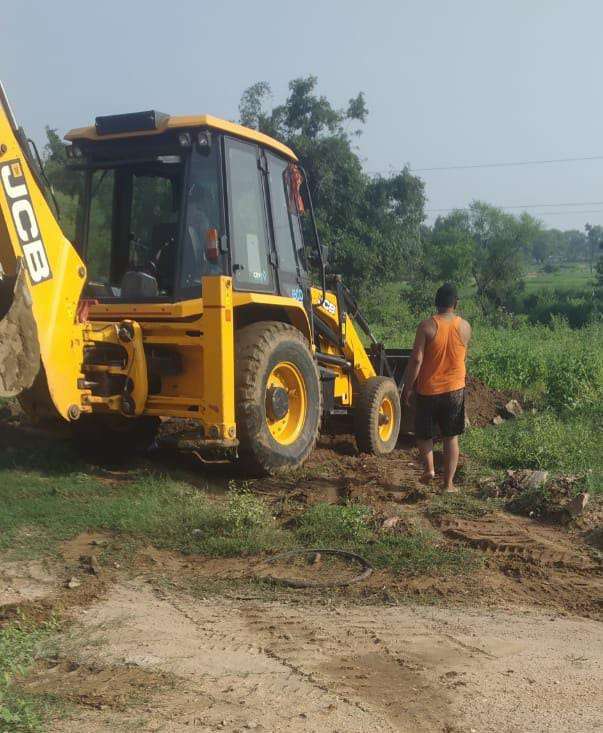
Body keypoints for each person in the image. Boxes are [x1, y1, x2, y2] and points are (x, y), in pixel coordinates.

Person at [402, 283, 471, 493]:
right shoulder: (465, 327)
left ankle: (430, 469)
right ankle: (448, 484)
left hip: (429, 390)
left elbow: (416, 359)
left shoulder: (426, 326)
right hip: (456, 390)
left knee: (424, 434)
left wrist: (408, 386)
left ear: (436, 303)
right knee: (451, 437)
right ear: (456, 303)